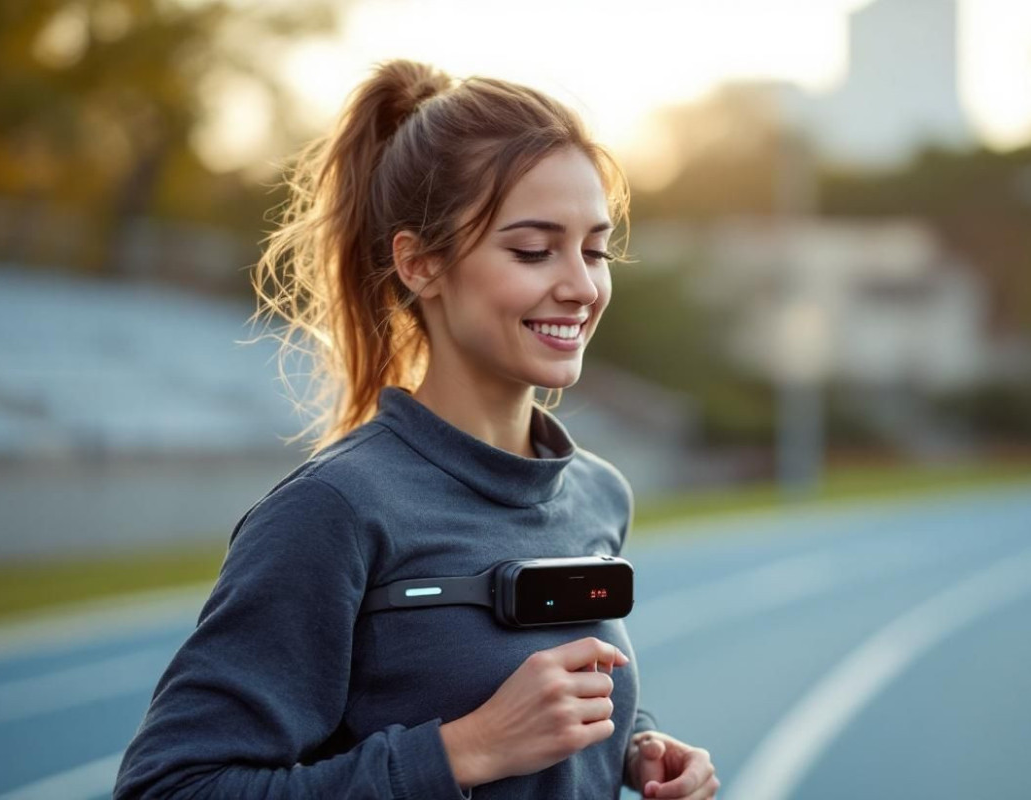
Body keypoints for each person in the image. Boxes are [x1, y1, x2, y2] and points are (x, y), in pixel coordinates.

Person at [113, 59, 718, 799]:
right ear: (421, 264)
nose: (582, 286)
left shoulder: (596, 496)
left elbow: (553, 711)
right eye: (533, 249)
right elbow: (170, 788)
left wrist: (632, 746)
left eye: (594, 249)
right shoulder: (334, 511)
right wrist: (463, 751)